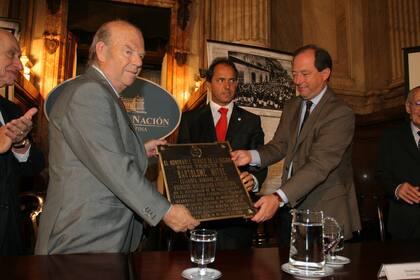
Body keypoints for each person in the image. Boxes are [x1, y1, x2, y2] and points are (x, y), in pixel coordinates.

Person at [35, 20, 199, 255]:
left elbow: (95, 157)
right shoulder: (89, 93)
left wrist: (141, 151)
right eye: (129, 51)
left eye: (141, 55)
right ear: (101, 50)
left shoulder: (102, 93)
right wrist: (165, 211)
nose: (139, 62)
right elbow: (113, 166)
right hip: (84, 236)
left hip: (100, 235)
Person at [232, 45, 361, 246]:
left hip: (324, 213)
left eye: (305, 74)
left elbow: (319, 165)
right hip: (289, 210)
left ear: (325, 73)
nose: (297, 80)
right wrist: (251, 156)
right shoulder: (292, 105)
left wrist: (277, 197)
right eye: (294, 74)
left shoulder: (339, 113)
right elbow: (279, 145)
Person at [177, 57, 267, 249]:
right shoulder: (190, 120)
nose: (227, 86)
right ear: (208, 83)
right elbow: (180, 164)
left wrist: (254, 178)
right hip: (199, 214)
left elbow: (261, 159)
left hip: (237, 218)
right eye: (221, 80)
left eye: (232, 80)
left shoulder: (252, 121)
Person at [0, 29, 44, 255]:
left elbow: (34, 167)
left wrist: (19, 143)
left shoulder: (12, 110)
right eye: (11, 55)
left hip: (9, 238)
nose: (18, 65)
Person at [375, 86, 420, 240]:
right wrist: (397, 188)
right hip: (405, 224)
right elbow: (381, 173)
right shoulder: (391, 137)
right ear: (408, 107)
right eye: (418, 103)